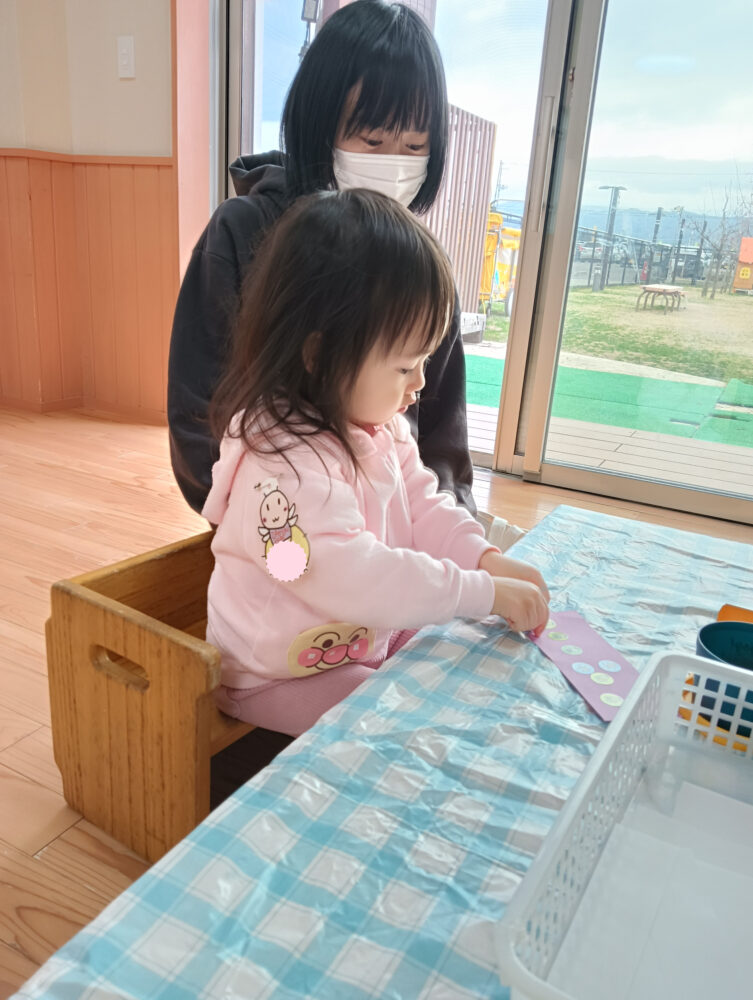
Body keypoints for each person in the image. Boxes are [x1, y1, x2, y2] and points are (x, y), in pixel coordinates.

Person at [204, 189, 549, 736]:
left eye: (425, 361)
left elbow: (426, 507)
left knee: (465, 663)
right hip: (277, 673)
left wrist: (485, 561)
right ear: (320, 356)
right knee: (408, 723)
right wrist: (477, 591)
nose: (421, 383)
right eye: (405, 366)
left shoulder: (379, 426)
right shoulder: (279, 466)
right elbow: (346, 574)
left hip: (359, 636)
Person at [168, 0, 475, 519]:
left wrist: (440, 525)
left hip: (393, 528)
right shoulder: (244, 234)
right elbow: (198, 419)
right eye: (372, 139)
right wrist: (275, 524)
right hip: (272, 528)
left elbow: (444, 438)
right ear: (320, 123)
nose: (393, 163)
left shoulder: (421, 265)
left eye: (414, 145)